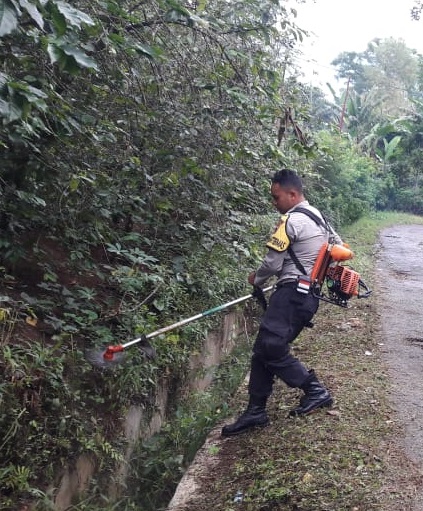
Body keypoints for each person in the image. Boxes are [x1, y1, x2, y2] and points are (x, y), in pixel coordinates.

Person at [221, 168, 342, 437]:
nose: (274, 203)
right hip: (308, 295)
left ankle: (314, 389)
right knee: (263, 348)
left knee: (271, 345)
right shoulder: (320, 218)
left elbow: (272, 263)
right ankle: (255, 411)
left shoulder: (290, 221)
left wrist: (256, 279)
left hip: (291, 294)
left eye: (276, 198)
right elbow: (339, 248)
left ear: (292, 193)